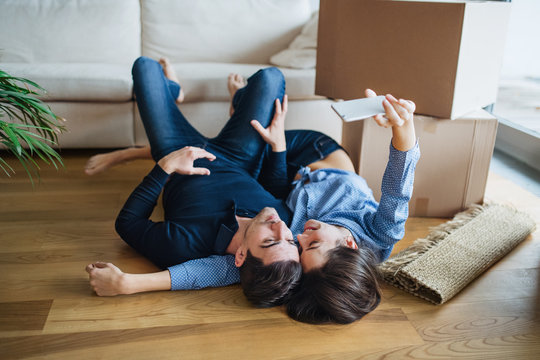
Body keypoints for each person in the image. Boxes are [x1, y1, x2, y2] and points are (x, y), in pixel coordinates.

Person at [87, 61, 419, 324]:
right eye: (312, 242)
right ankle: (234, 107)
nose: (300, 233)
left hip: (274, 172)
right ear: (349, 243)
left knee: (153, 77)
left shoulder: (295, 257)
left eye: (297, 246)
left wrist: (132, 284)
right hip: (314, 152)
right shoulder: (380, 234)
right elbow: (396, 189)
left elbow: (230, 267)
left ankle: (182, 125)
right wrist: (403, 132)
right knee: (267, 92)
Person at [86, 56, 310, 307]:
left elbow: (128, 224)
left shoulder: (183, 245)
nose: (280, 227)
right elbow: (275, 188)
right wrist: (278, 147)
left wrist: (165, 167)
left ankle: (174, 91)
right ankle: (238, 101)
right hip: (239, 157)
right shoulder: (282, 218)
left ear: (241, 255)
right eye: (290, 240)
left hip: (176, 151)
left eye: (270, 240)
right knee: (270, 77)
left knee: (145, 67)